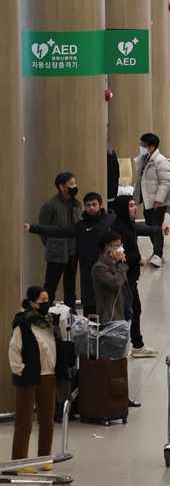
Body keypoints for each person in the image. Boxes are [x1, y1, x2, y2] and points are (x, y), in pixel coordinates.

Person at [28, 192, 116, 317]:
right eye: (88, 205)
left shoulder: (111, 221)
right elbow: (58, 230)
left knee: (108, 304)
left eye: (94, 204)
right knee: (89, 305)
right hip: (88, 270)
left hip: (108, 268)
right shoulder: (80, 226)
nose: (91, 208)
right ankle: (89, 332)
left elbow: (126, 233)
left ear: (100, 205)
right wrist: (32, 228)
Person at [9, 287, 63, 470]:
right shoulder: (22, 325)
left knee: (47, 421)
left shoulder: (51, 323)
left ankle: (44, 457)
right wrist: (21, 371)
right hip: (28, 378)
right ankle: (19, 461)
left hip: (49, 376)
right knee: (24, 422)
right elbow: (14, 350)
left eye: (47, 299)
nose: (46, 303)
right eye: (42, 300)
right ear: (32, 303)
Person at [110, 196, 167, 359]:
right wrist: (138, 258)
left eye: (135, 205)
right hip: (123, 277)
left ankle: (134, 344)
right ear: (122, 209)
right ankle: (136, 345)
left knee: (133, 309)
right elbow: (112, 252)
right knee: (132, 309)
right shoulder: (118, 229)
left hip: (129, 277)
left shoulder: (127, 225)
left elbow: (140, 230)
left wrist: (158, 230)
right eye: (131, 205)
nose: (135, 208)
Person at [39, 173, 82, 310]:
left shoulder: (76, 204)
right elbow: (43, 228)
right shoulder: (51, 205)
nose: (74, 187)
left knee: (70, 287)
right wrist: (52, 244)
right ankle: (46, 314)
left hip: (73, 252)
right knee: (51, 286)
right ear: (62, 187)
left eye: (75, 184)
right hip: (57, 253)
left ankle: (71, 316)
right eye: (71, 184)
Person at [132, 134, 170, 268]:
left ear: (152, 147)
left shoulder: (160, 161)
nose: (141, 148)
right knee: (150, 226)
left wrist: (159, 200)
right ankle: (157, 252)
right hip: (148, 200)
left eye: (144, 145)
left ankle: (158, 254)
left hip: (157, 201)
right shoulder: (144, 159)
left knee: (156, 226)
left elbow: (166, 181)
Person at [91, 231, 130, 327]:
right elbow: (115, 283)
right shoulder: (99, 268)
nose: (121, 249)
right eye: (117, 246)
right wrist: (122, 264)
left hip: (124, 314)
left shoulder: (115, 265)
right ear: (108, 249)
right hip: (111, 317)